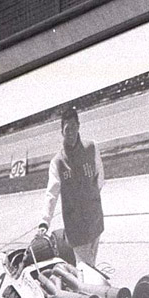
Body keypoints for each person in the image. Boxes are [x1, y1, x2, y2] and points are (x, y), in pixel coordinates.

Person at [38, 106, 105, 267]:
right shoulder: (57, 162)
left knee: (91, 266)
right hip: (76, 227)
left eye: (74, 127)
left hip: (95, 220)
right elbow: (52, 193)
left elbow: (100, 177)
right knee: (86, 270)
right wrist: (45, 221)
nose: (71, 132)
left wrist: (91, 199)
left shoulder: (92, 147)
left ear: (79, 126)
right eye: (67, 129)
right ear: (62, 131)